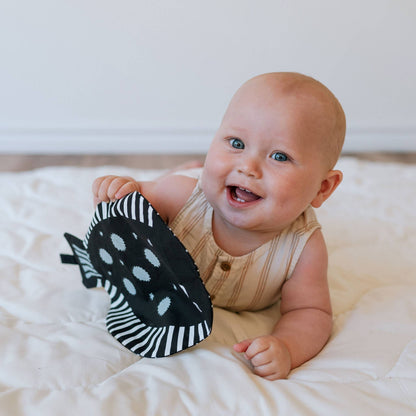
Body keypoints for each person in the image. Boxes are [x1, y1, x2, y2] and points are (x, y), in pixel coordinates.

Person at [92, 72, 346, 380]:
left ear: (322, 188)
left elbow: (310, 313)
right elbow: (128, 210)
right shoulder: (181, 197)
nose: (248, 166)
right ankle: (188, 169)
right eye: (236, 143)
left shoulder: (304, 248)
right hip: (181, 188)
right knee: (172, 181)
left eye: (279, 156)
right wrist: (117, 190)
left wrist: (286, 346)